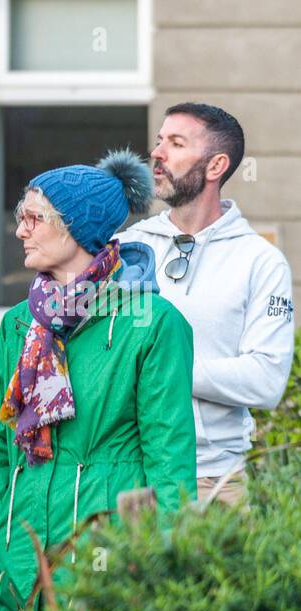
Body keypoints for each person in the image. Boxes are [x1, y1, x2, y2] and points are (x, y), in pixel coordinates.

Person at [0, 152, 197, 611]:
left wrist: (161, 555)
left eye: (35, 218)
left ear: (78, 226)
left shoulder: (153, 323)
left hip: (108, 554)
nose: (20, 231)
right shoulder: (19, 324)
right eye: (21, 218)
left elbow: (169, 458)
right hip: (19, 553)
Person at [114, 103, 294, 506]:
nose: (157, 154)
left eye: (176, 144)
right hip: (131, 476)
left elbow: (265, 380)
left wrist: (164, 372)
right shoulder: (127, 248)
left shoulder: (259, 261)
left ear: (216, 167)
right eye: (159, 141)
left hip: (215, 480)